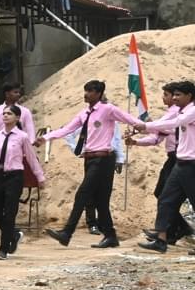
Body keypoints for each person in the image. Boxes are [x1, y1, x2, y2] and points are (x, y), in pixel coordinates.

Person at [38, 80, 142, 249]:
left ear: (99, 93)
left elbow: (129, 119)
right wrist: (46, 138)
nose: (86, 94)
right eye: (85, 90)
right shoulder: (84, 113)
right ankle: (110, 236)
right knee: (101, 200)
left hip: (103, 159)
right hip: (90, 159)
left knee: (83, 193)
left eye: (90, 91)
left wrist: (143, 127)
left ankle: (67, 232)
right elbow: (67, 130)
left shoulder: (108, 109)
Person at [135, 81, 195, 254]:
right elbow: (165, 129)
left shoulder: (191, 111)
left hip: (191, 165)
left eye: (178, 95)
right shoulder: (183, 111)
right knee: (165, 199)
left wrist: (146, 126)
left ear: (189, 96)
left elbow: (173, 123)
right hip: (180, 163)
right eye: (173, 94)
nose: (175, 98)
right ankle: (161, 240)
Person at [0, 105, 45, 259]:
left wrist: (39, 177)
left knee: (9, 213)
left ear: (18, 118)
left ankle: (3, 249)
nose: (5, 116)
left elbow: (31, 158)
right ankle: (13, 235)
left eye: (9, 114)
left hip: (14, 177)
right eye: (4, 113)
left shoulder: (22, 137)